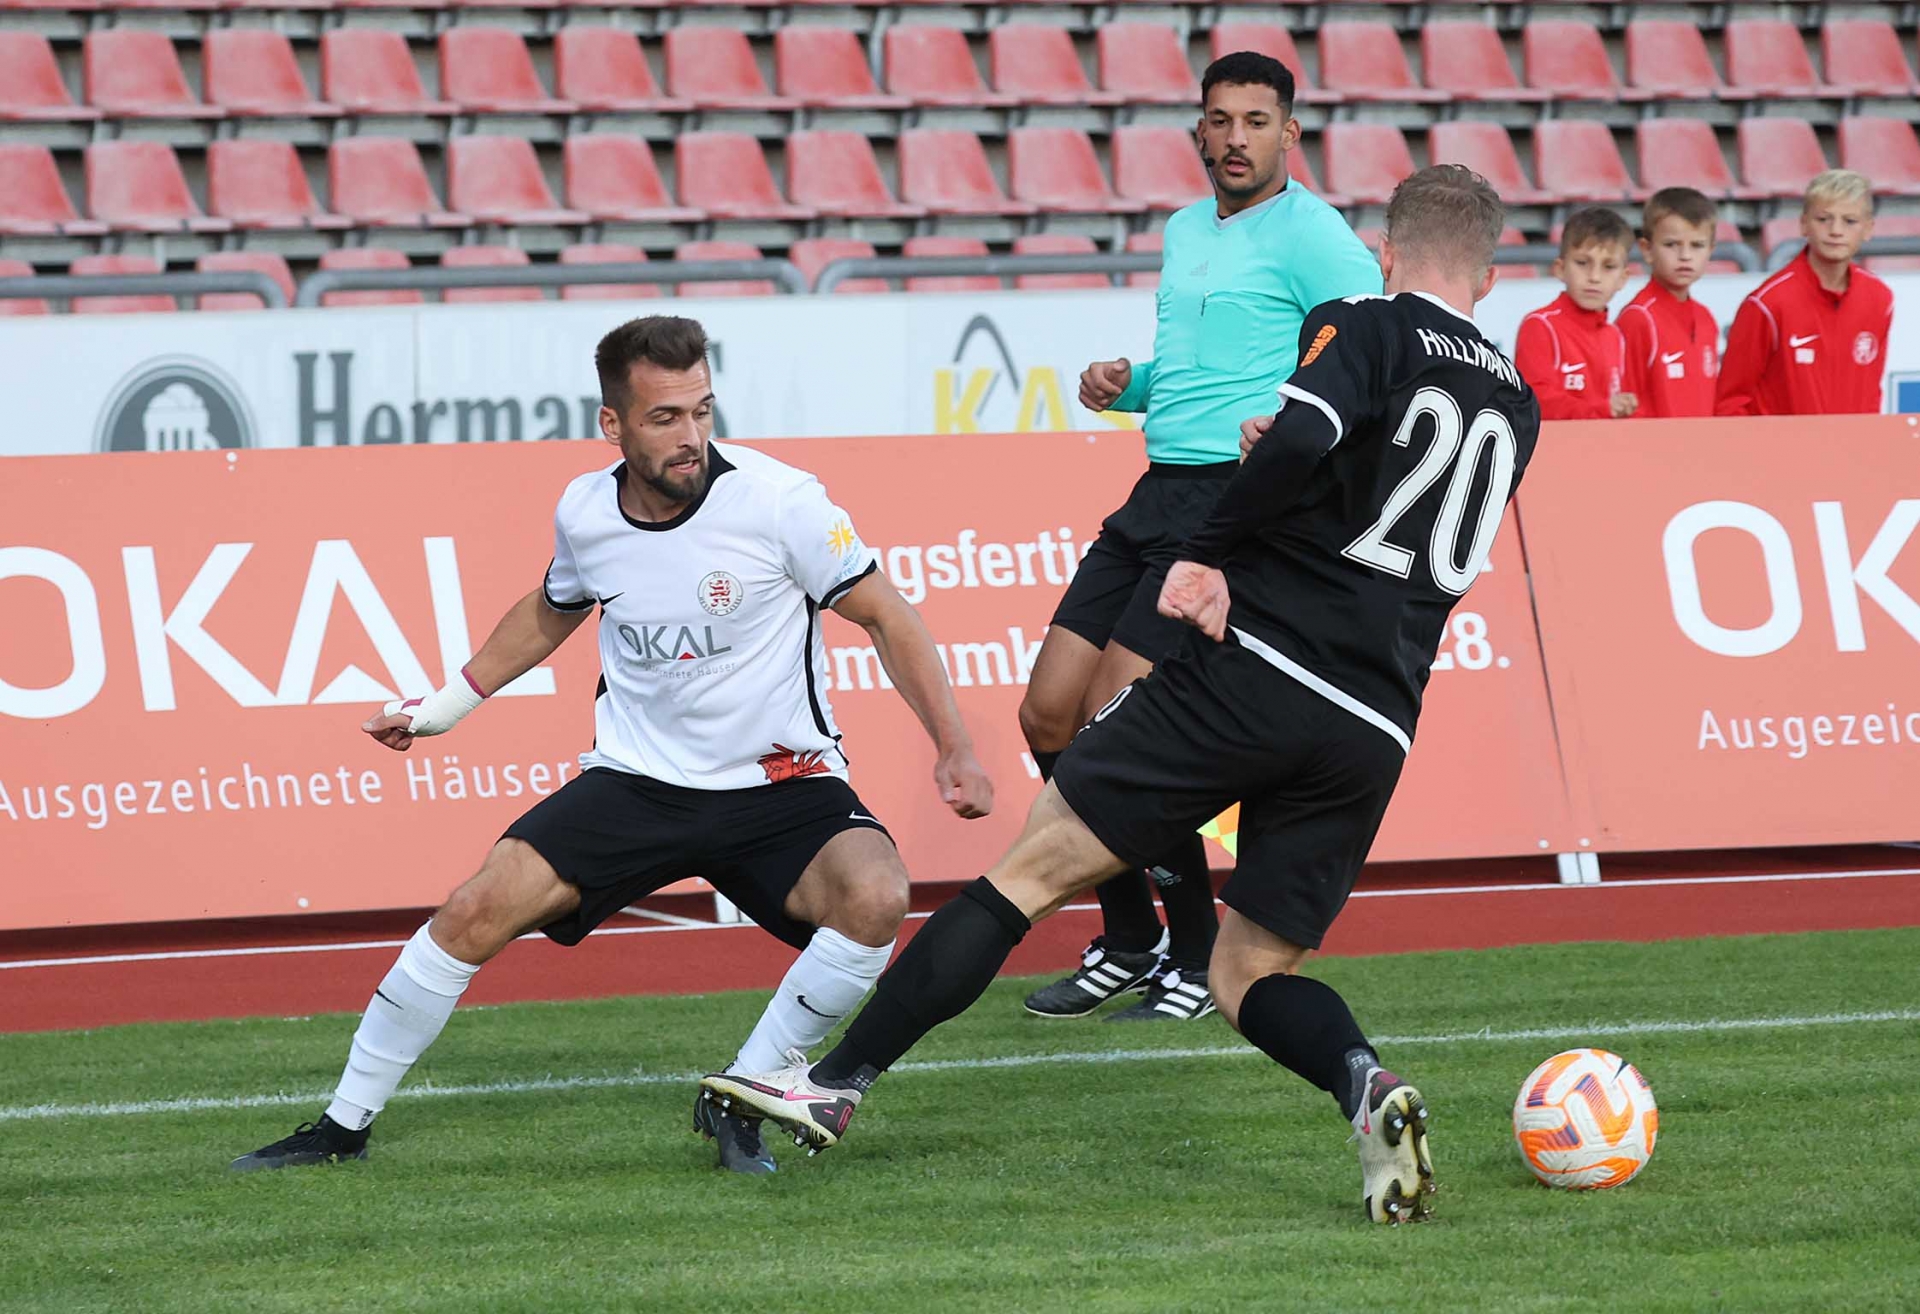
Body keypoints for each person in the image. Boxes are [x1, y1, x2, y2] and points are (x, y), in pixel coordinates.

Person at [704, 166, 1541, 1226]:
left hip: (1258, 669)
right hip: (1375, 721)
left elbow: (1309, 441)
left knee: (1028, 872)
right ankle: (1363, 1082)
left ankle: (833, 1082)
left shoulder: (1365, 325)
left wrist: (1207, 551)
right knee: (1250, 973)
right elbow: (1392, 517)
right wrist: (1297, 471)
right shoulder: (1518, 401)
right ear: (1491, 276)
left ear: (1386, 253)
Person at [230, 316, 993, 1178]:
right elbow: (553, 608)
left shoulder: (783, 502)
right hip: (636, 784)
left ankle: (743, 1092)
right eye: (665, 417)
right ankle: (342, 1127)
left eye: (702, 411)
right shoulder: (586, 511)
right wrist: (445, 706)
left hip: (782, 784)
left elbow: (887, 616)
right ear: (613, 424)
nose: (691, 436)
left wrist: (953, 747)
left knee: (877, 894)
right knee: (470, 913)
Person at [1022, 50, 1383, 1023]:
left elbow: (1372, 353)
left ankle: (1188, 953)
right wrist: (1127, 384)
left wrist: (1303, 446)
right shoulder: (1186, 229)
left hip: (1229, 503)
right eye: (1220, 120)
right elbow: (1199, 367)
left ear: (1289, 133)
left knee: (1119, 725)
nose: (1235, 139)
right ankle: (1130, 938)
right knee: (1048, 718)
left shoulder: (1317, 236)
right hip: (1154, 492)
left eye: (1256, 122)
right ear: (1198, 131)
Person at [1715, 169, 1894, 417]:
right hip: (1782, 444)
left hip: (1852, 442)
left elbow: (1870, 391)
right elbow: (1730, 402)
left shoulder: (1879, 298)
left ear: (1868, 228)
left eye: (1850, 221)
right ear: (1803, 224)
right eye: (1823, 219)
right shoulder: (1768, 303)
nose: (1836, 230)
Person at [1515, 207, 1636, 420]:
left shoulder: (1615, 336)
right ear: (1560, 269)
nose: (1594, 277)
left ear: (1623, 279)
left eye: (1608, 266)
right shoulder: (1540, 326)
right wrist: (1603, 410)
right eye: (1582, 263)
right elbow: (1534, 402)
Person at [1618, 187, 1721, 418]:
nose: (1685, 256)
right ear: (1647, 249)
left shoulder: (1706, 319)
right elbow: (1626, 407)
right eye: (1671, 244)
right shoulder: (1638, 318)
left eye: (1697, 245)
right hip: (1654, 442)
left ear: (1711, 251)